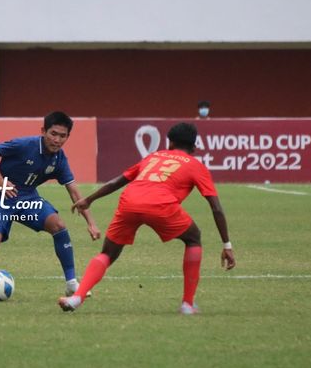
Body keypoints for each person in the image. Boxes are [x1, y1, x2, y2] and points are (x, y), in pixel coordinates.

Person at [58, 122, 235, 315]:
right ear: (194, 147)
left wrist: (89, 200)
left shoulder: (154, 157)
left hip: (129, 201)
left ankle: (77, 297)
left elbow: (117, 181)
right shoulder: (196, 166)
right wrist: (227, 245)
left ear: (170, 143)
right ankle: (187, 304)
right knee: (193, 238)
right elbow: (216, 208)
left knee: (108, 253)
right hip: (161, 205)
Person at [0, 111, 102, 300]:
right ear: (43, 131)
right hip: (0, 199)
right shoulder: (25, 145)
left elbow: (74, 191)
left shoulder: (59, 159)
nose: (57, 140)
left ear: (68, 137)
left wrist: (91, 222)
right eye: (53, 133)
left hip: (28, 200)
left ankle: (71, 284)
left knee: (58, 226)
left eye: (62, 136)